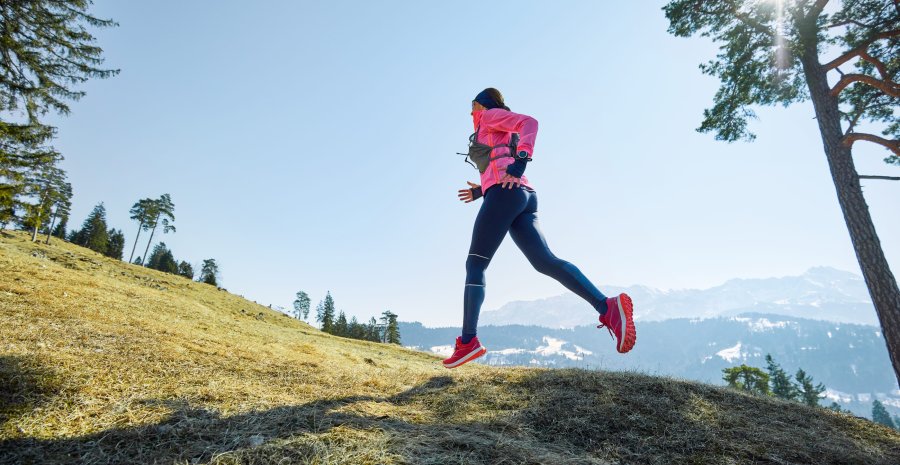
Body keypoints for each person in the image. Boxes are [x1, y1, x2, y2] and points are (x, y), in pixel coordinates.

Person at [442, 88, 636, 369]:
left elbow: (530, 123)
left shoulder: (490, 116)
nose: (470, 115)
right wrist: (482, 192)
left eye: (471, 108)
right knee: (545, 262)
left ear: (478, 106)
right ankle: (607, 308)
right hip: (521, 195)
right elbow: (500, 162)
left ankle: (468, 341)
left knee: (476, 265)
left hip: (507, 193)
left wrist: (521, 163)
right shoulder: (496, 125)